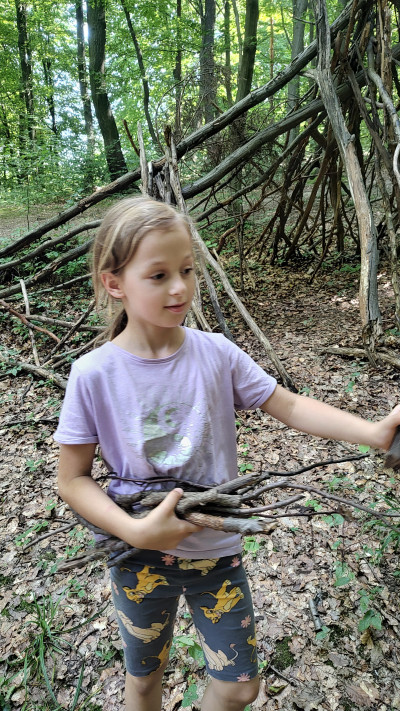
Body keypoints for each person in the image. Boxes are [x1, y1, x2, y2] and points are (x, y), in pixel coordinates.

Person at [54, 196, 400, 711]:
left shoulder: (216, 353)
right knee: (144, 681)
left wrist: (374, 433)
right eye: (159, 275)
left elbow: (288, 404)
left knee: (240, 687)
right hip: (138, 557)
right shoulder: (94, 375)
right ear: (114, 283)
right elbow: (72, 479)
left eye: (187, 270)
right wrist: (135, 530)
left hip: (216, 550)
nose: (180, 287)